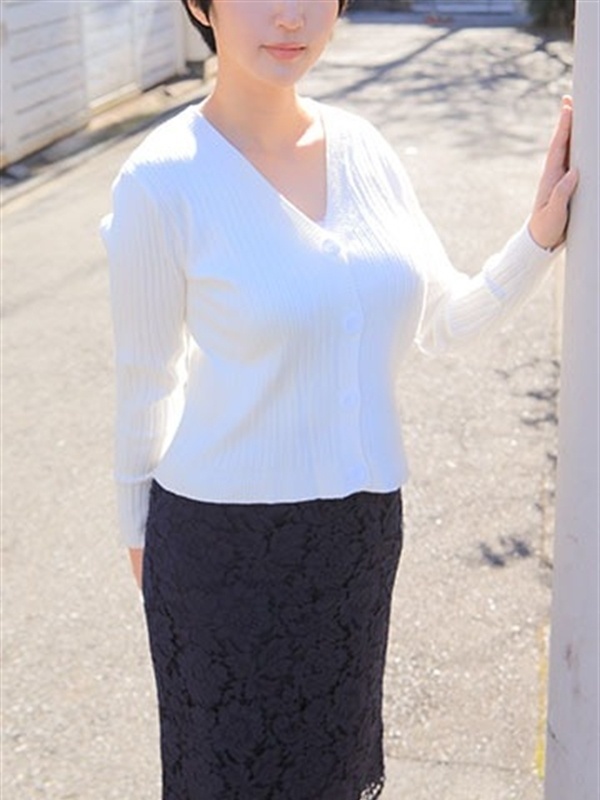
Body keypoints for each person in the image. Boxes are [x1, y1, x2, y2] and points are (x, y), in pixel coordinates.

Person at [101, 2, 578, 798]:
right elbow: (146, 380)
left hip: (356, 542)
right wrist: (140, 542)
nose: (291, 16)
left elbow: (444, 319)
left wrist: (538, 236)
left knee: (336, 771)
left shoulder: (364, 149)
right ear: (201, 6)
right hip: (222, 551)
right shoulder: (160, 179)